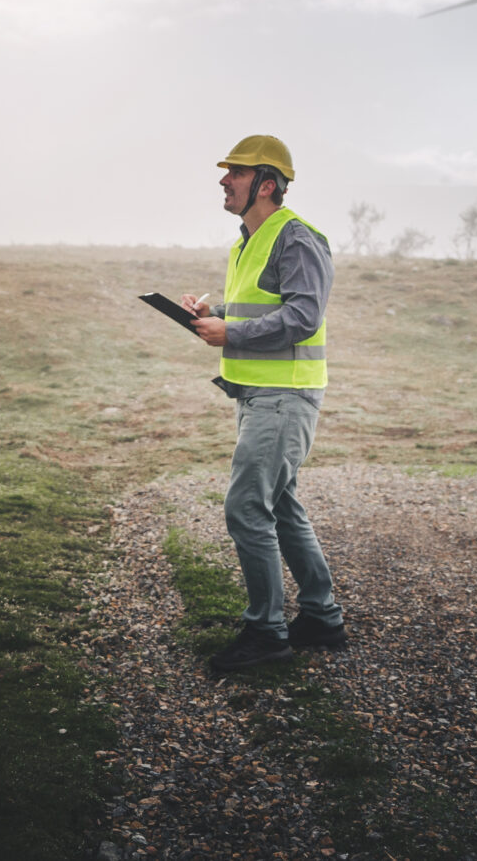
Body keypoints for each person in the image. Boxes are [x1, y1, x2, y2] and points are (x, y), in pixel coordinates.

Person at [181, 135, 346, 672]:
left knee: (247, 507)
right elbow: (264, 307)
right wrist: (215, 312)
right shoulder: (247, 240)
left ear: (266, 184)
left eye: (235, 172)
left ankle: (267, 634)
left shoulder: (295, 238)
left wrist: (231, 332)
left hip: (285, 395)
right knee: (279, 505)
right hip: (258, 394)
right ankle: (321, 619)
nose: (224, 180)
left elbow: (302, 318)